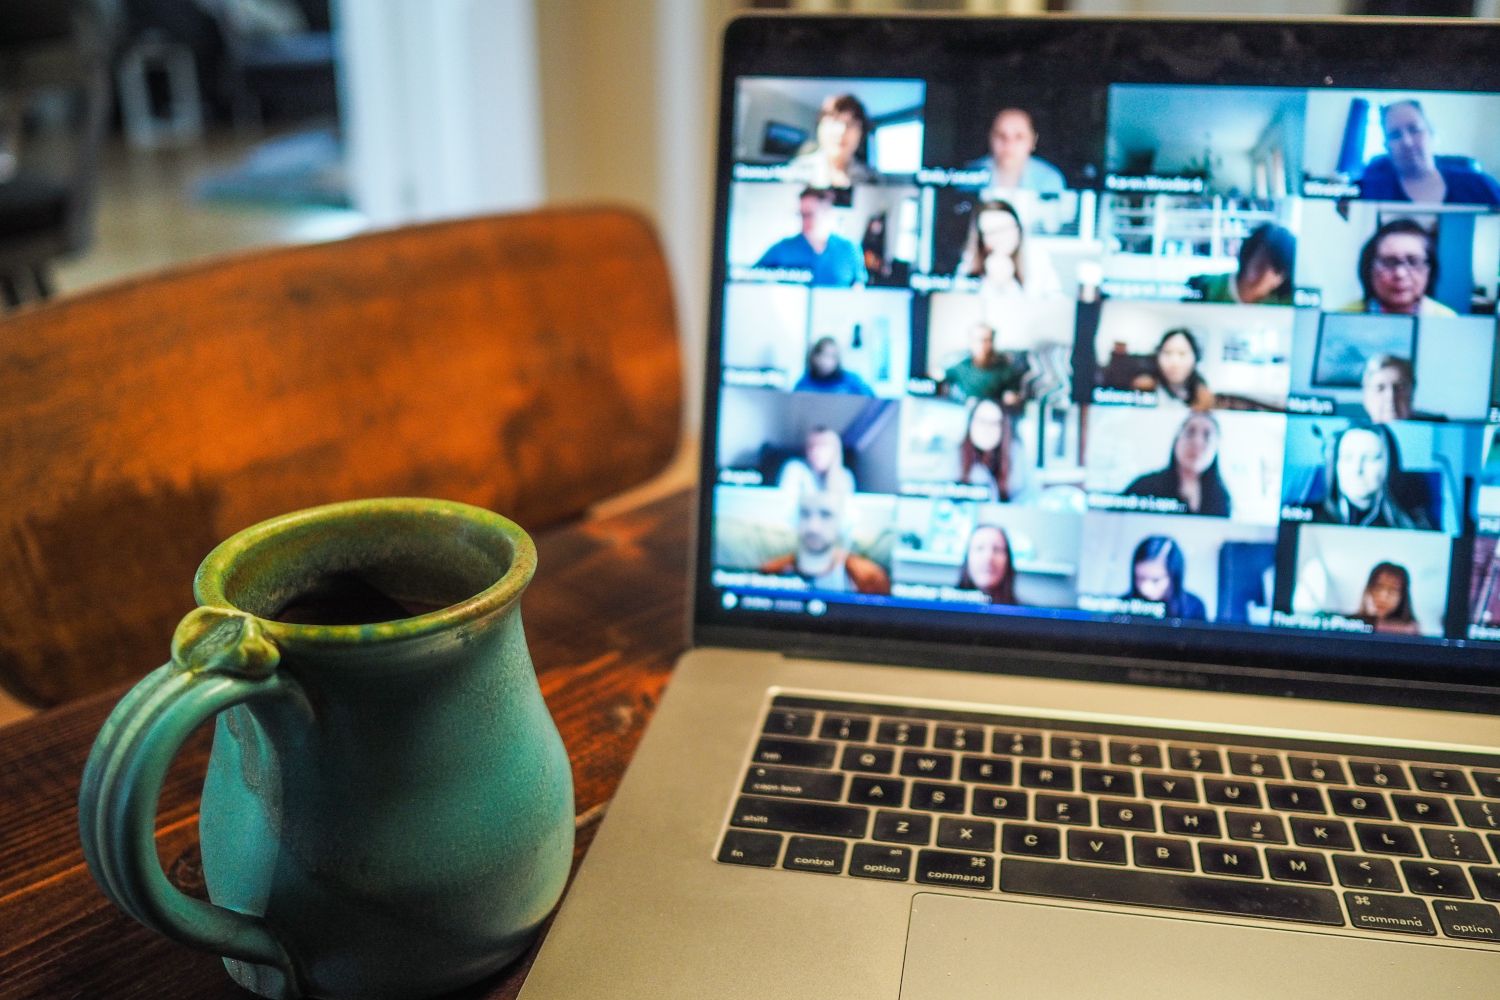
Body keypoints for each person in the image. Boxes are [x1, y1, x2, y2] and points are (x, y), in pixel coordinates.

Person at [1357, 99, 1500, 206]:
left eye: (1414, 129)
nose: (1407, 142)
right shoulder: (1369, 192)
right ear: (1386, 146)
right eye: (1395, 135)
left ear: (1431, 134)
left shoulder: (1480, 185)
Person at [758, 488, 890, 594]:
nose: (813, 526)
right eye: (805, 514)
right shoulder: (771, 571)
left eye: (825, 515)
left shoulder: (870, 578)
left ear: (843, 523)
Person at [1313, 423, 1434, 529]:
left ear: (1389, 465)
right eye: (1347, 458)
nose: (1357, 469)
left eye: (1370, 458)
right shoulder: (1310, 517)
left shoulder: (1414, 525)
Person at [1124, 411, 1232, 517]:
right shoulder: (1143, 487)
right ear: (1177, 439)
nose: (1197, 442)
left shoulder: (1221, 498)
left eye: (1207, 436)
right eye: (1190, 432)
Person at [1340, 218, 1456, 316]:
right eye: (1389, 262)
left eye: (1413, 261)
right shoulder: (1344, 316)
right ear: (1369, 268)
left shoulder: (1446, 319)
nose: (1400, 274)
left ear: (1429, 270)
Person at [755, 187, 867, 287]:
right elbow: (752, 278)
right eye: (801, 215)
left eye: (809, 215)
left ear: (826, 212)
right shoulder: (782, 249)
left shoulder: (849, 249)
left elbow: (858, 289)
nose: (804, 220)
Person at [956, 198, 1061, 298]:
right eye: (992, 232)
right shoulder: (969, 262)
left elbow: (1056, 304)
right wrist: (992, 284)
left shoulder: (1038, 257)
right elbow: (960, 304)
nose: (1000, 237)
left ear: (1018, 228)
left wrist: (1008, 284)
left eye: (1005, 228)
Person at [1185, 223, 1297, 306]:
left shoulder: (1285, 304)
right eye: (1262, 258)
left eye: (1276, 268)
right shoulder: (1206, 287)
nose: (1265, 272)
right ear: (1249, 253)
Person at [784, 93, 876, 189]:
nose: (841, 131)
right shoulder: (793, 173)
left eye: (851, 124)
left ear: (861, 133)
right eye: (834, 121)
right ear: (820, 128)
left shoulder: (872, 179)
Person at [964, 108, 1066, 193]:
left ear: (1032, 141)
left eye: (1019, 137)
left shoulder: (1049, 179)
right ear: (990, 138)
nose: (1008, 144)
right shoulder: (969, 175)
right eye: (1001, 135)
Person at [1122, 536, 1207, 621]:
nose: (1145, 588)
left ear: (1173, 577)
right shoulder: (1123, 604)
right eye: (1140, 578)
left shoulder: (1194, 606)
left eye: (1156, 580)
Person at [941, 322, 1025, 405]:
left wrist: (1011, 397)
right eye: (978, 340)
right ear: (971, 343)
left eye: (988, 340)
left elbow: (1014, 393)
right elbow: (940, 375)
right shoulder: (961, 367)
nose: (983, 345)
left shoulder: (1005, 370)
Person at [1130, 328, 1214, 410]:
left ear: (1195, 357)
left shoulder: (1202, 394)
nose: (1174, 362)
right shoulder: (1144, 385)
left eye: (1182, 353)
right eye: (1167, 353)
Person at [958, 398, 1018, 501]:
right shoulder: (953, 459)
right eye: (982, 421)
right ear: (971, 424)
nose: (987, 429)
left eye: (994, 423)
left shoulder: (1016, 459)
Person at [777, 426, 856, 496]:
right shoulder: (795, 469)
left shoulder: (845, 476)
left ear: (835, 450)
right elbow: (786, 503)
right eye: (811, 446)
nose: (815, 451)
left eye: (823, 445)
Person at [1352, 561, 1422, 635]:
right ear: (1368, 589)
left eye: (1393, 590)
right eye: (1378, 587)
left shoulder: (1411, 631)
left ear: (1402, 596)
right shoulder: (1349, 624)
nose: (1383, 597)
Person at [957, 524, 1019, 605]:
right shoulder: (943, 606)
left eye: (997, 549)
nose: (988, 557)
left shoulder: (1028, 613)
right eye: (980, 548)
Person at [793, 337, 874, 395]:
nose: (826, 361)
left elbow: (872, 402)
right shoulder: (804, 383)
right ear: (814, 358)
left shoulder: (853, 381)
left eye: (832, 356)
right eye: (823, 355)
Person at [1361, 354, 1416, 423]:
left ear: (1412, 393)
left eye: (1400, 388)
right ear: (1366, 398)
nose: (1390, 396)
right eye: (1380, 388)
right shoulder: (1352, 433)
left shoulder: (1431, 431)